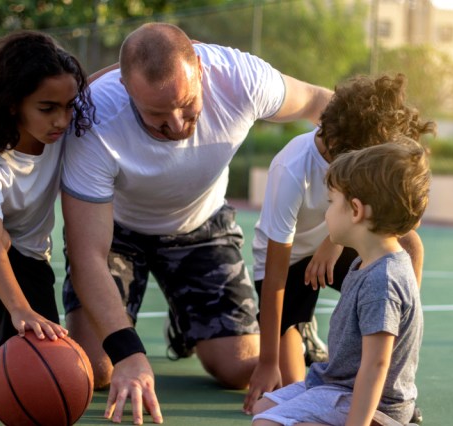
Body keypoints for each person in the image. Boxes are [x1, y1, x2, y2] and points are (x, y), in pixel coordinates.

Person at [60, 22, 334, 424]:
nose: (175, 125)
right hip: (117, 233)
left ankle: (255, 323)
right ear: (126, 88)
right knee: (95, 368)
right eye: (156, 113)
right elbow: (87, 256)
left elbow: (320, 103)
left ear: (201, 71)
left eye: (187, 106)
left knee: (240, 369)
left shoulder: (240, 78)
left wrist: (365, 178)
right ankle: (182, 317)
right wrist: (131, 356)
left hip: (200, 227)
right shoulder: (95, 118)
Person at [243, 74, 436, 414]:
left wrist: (331, 243)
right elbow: (274, 279)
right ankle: (303, 334)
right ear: (338, 144)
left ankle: (394, 388)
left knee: (409, 245)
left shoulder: (360, 165)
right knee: (292, 387)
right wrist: (267, 360)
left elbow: (404, 214)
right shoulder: (292, 168)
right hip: (287, 265)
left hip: (338, 239)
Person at [0, 30, 95, 410]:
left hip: (30, 258)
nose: (61, 119)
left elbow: (118, 77)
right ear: (12, 105)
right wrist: (21, 309)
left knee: (48, 365)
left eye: (69, 105)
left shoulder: (66, 131)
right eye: (47, 108)